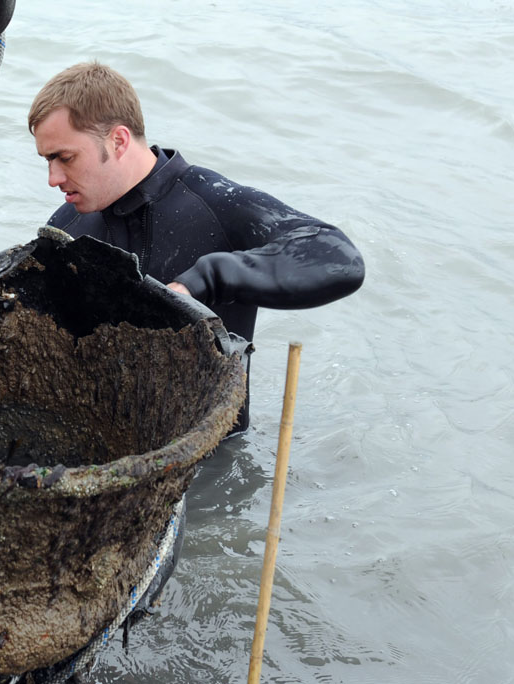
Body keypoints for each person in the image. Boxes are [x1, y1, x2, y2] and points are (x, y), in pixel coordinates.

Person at [29, 61, 365, 432]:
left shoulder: (216, 204)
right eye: (48, 160)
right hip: (106, 446)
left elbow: (336, 256)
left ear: (119, 140)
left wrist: (202, 281)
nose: (53, 178)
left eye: (65, 157)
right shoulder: (66, 228)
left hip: (214, 459)